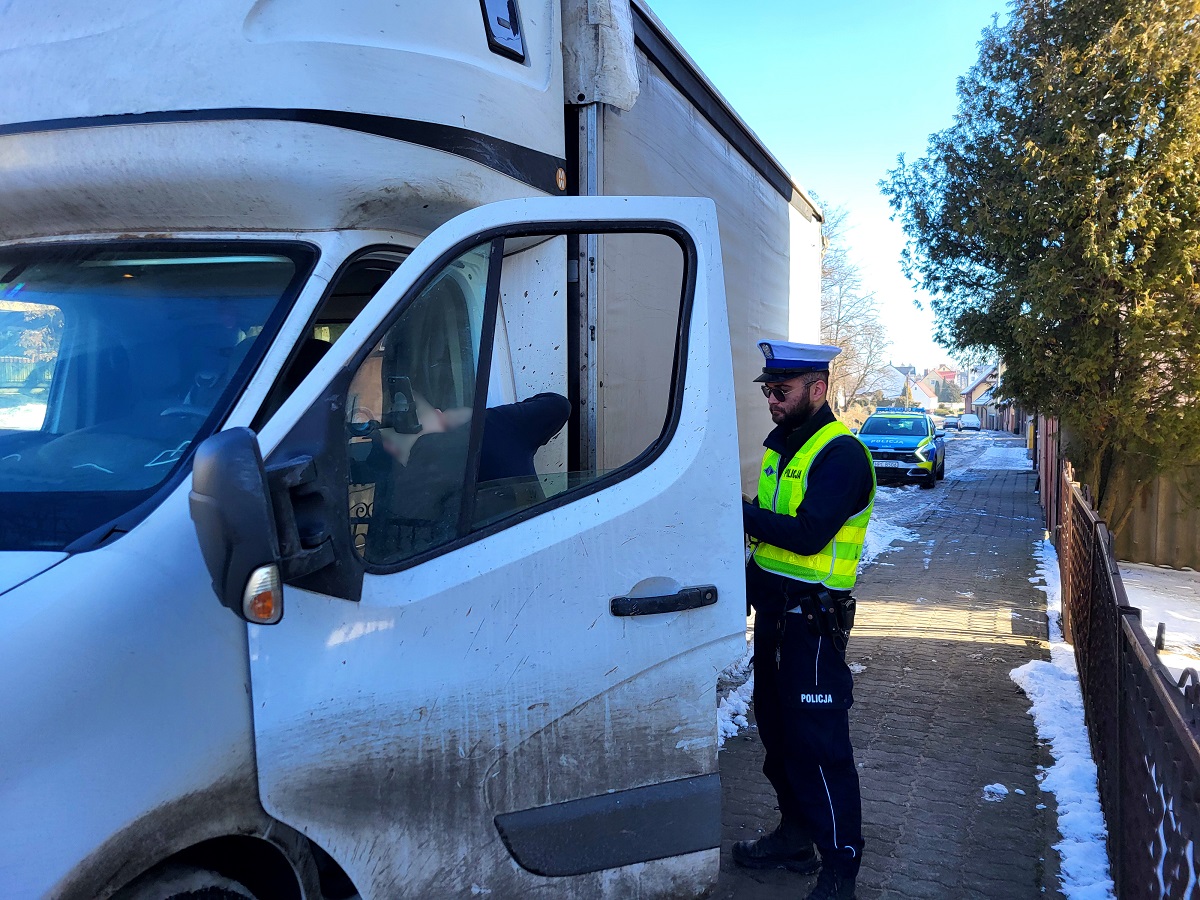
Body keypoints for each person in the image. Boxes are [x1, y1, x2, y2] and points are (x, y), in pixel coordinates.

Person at [733, 340, 876, 900]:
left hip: (812, 629)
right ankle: (795, 837)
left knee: (820, 751)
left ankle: (841, 872)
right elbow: (771, 545)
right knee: (778, 739)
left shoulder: (839, 454)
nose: (771, 399)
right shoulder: (785, 447)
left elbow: (808, 534)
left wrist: (735, 509)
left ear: (817, 390)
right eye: (767, 390)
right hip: (775, 620)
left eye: (781, 390)